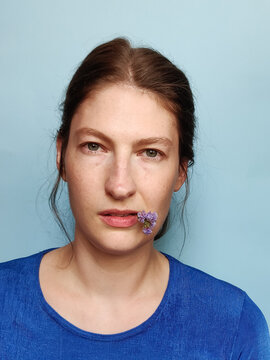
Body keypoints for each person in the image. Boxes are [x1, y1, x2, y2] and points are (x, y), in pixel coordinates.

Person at [0, 37, 269, 359]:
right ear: (62, 156)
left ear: (181, 171)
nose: (120, 185)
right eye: (94, 146)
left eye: (151, 153)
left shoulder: (233, 325)